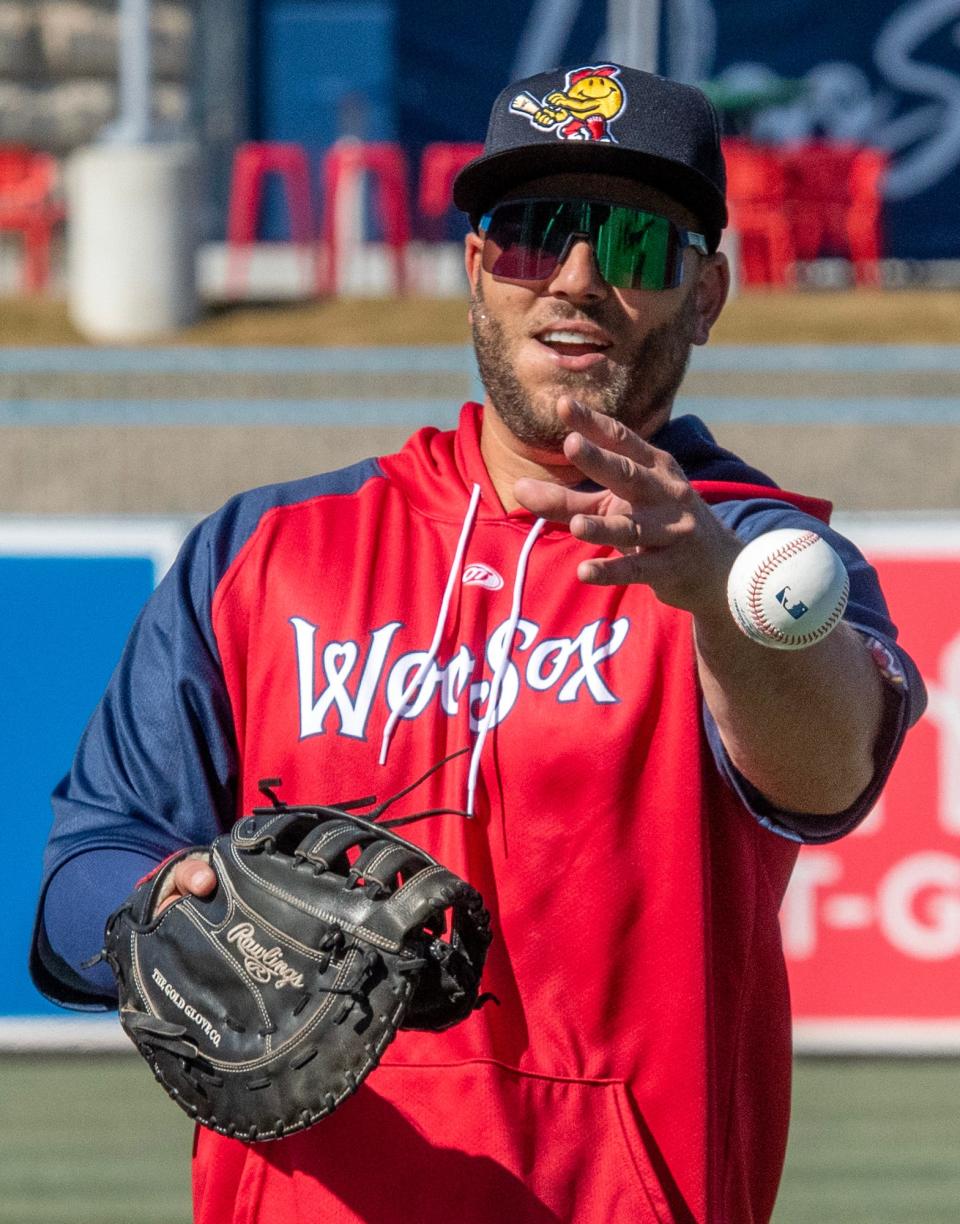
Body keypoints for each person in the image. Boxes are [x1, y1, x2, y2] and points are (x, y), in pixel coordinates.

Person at [32, 64, 924, 1223]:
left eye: (636, 247)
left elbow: (830, 775)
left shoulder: (757, 559)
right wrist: (162, 905)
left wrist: (714, 592)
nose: (577, 281)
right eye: (530, 236)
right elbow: (79, 873)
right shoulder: (263, 550)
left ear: (706, 293)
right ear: (473, 273)